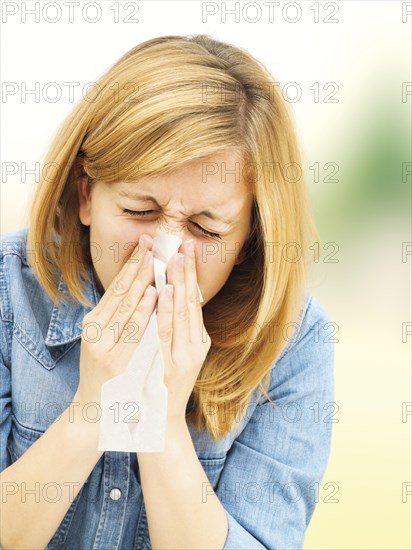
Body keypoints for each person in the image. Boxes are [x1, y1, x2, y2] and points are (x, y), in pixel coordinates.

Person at [0, 34, 335, 549]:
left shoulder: (294, 342)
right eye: (139, 211)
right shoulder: (8, 291)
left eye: (206, 228)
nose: (165, 254)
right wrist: (92, 413)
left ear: (249, 239)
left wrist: (162, 428)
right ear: (86, 195)